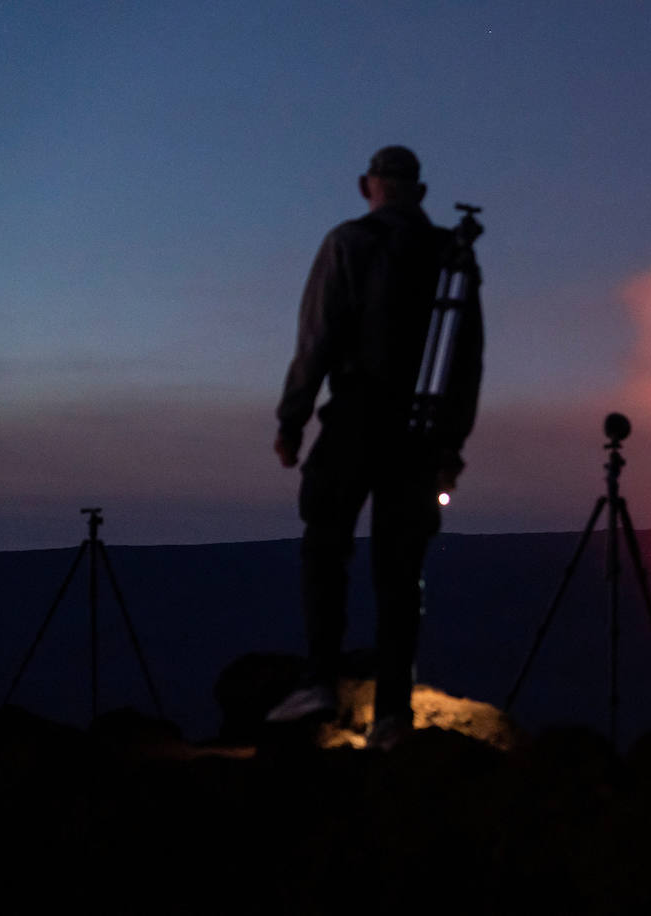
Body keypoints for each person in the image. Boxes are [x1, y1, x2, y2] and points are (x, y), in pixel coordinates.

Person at [266, 145, 483, 750]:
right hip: (420, 434)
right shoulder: (452, 256)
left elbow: (316, 337)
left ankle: (319, 682)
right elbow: (466, 362)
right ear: (419, 190)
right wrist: (451, 445)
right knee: (401, 569)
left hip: (355, 419)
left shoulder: (348, 242)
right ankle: (393, 712)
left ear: (369, 185)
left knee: (325, 549)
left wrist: (292, 420)